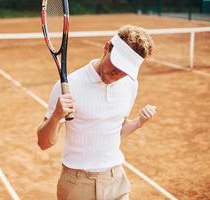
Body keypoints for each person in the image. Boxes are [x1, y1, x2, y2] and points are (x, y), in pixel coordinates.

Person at [37, 25, 157, 200]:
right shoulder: (70, 85)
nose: (118, 74)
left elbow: (114, 133)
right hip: (77, 186)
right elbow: (43, 143)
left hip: (116, 180)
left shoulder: (130, 84)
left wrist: (137, 123)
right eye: (117, 64)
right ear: (106, 47)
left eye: (126, 71)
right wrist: (56, 115)